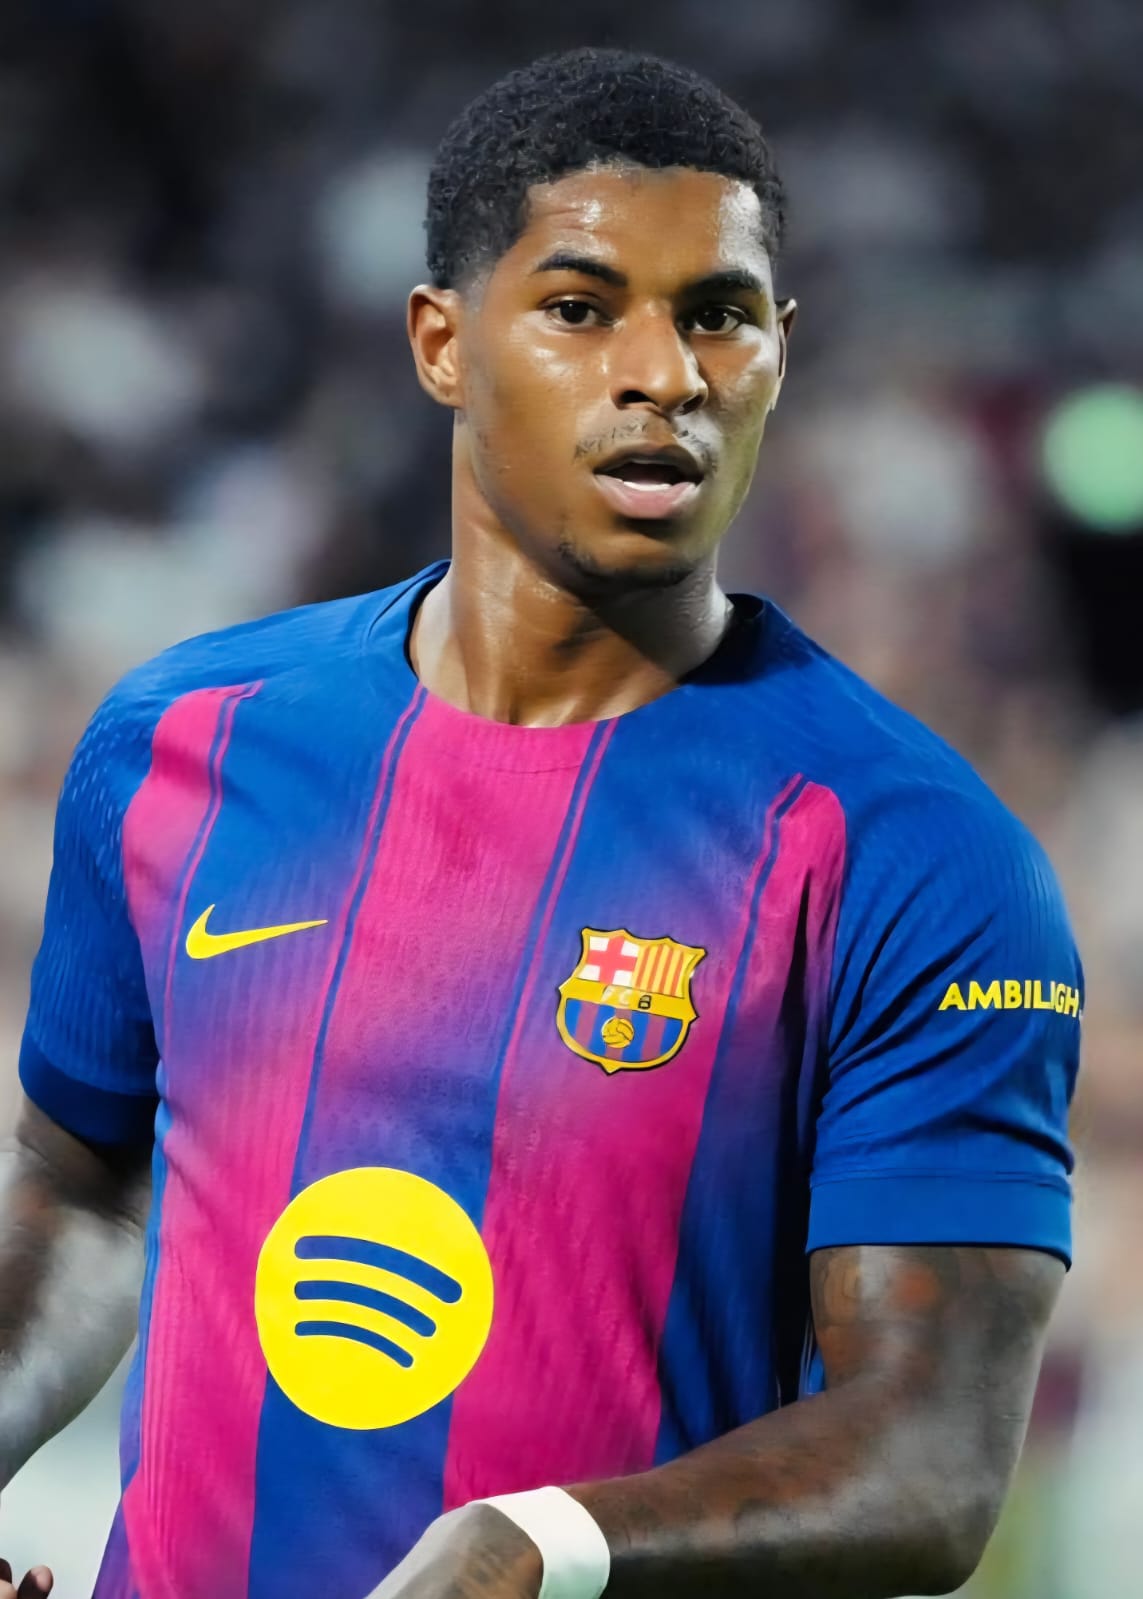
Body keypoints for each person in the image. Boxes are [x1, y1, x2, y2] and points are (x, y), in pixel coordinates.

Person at [0, 46, 1082, 1599]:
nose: (667, 373)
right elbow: (83, 1183)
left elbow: (932, 1450)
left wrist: (543, 1546)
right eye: (582, 309)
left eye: (719, 314)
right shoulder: (182, 740)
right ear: (442, 344)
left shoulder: (914, 855)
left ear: (779, 351)